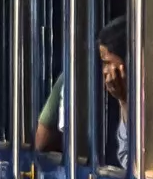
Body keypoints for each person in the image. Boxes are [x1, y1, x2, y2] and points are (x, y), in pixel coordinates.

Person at [33, 17, 130, 162]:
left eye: (108, 63)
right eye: (103, 63)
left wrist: (123, 100)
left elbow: (130, 159)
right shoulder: (75, 78)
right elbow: (42, 141)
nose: (105, 71)